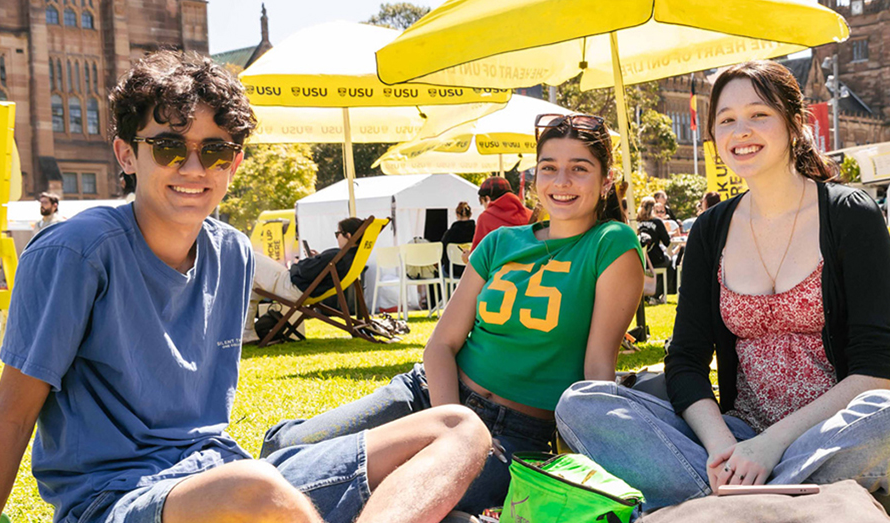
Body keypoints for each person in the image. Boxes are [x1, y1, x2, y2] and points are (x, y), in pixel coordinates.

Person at [0, 50, 489, 523]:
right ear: (126, 155)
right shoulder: (75, 252)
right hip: (115, 498)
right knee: (256, 490)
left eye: (214, 151)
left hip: (227, 475)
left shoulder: (231, 251)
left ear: (234, 162)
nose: (193, 167)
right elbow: (12, 413)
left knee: (459, 428)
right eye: (168, 146)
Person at [555, 60, 890, 515]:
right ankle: (759, 503)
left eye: (759, 114)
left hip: (837, 439)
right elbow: (686, 360)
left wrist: (770, 448)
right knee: (582, 402)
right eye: (727, 120)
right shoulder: (712, 229)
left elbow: (874, 371)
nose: (742, 130)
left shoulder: (850, 213)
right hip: (739, 438)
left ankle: (722, 504)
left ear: (794, 124)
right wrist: (721, 446)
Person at [258, 112, 645, 514]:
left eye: (579, 169)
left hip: (514, 435)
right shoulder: (500, 242)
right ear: (534, 178)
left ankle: (265, 497)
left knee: (394, 500)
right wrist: (453, 423)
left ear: (606, 180)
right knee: (284, 446)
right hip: (429, 394)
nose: (561, 181)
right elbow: (441, 344)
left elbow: (597, 367)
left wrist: (592, 463)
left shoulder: (611, 244)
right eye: (549, 168)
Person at [244, 217, 365, 342]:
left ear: (348, 235)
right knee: (250, 286)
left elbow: (304, 270)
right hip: (303, 290)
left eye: (337, 234)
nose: (337, 237)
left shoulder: (336, 255)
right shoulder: (351, 256)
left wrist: (305, 263)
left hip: (289, 286)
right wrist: (318, 259)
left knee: (249, 257)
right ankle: (247, 333)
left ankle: (246, 332)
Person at [470, 176, 532, 251]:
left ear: (487, 198)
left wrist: (467, 257)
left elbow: (477, 256)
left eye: (483, 203)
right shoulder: (530, 215)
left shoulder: (485, 218)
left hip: (499, 262)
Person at [636, 196, 672, 280]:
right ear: (653, 208)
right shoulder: (657, 222)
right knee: (669, 261)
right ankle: (664, 289)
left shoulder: (635, 221)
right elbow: (667, 242)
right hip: (655, 259)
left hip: (638, 260)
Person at [441, 201, 476, 277]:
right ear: (470, 214)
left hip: (453, 270)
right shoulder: (477, 231)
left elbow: (442, 251)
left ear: (457, 214)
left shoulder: (450, 233)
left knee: (442, 269)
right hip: (472, 269)